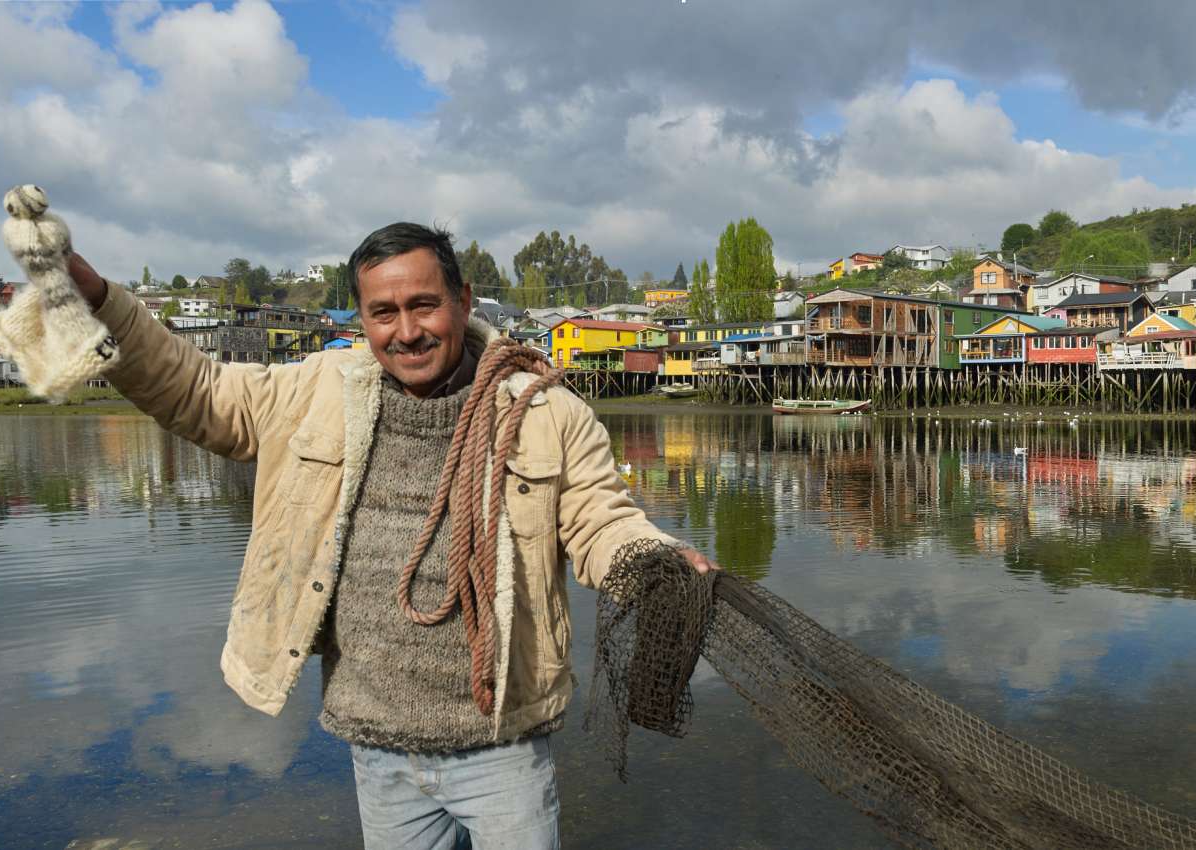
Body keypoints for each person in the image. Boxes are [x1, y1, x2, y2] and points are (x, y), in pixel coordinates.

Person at [68, 222, 717, 850]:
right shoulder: (315, 391)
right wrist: (101, 302)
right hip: (377, 745)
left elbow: (601, 519)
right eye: (384, 312)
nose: (406, 331)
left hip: (502, 746)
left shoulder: (546, 414)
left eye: (424, 305)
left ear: (463, 302)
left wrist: (652, 559)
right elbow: (195, 390)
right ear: (361, 319)